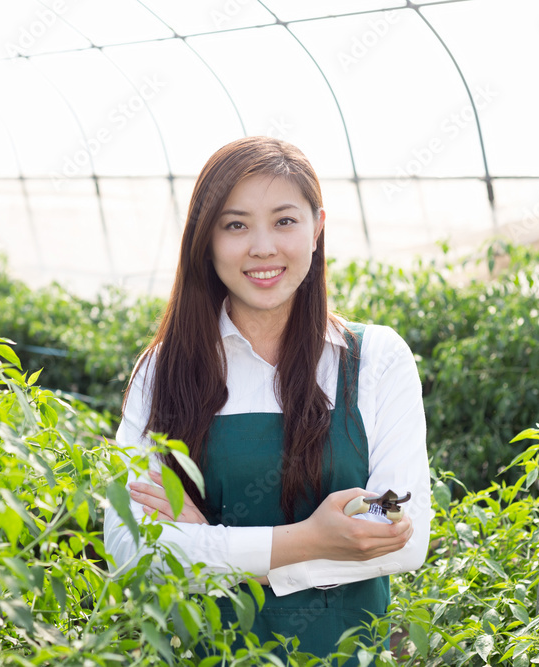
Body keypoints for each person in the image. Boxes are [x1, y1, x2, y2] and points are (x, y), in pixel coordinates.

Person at [102, 136, 430, 660]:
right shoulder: (162, 371)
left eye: (284, 221)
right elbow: (128, 550)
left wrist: (208, 542)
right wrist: (317, 539)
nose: (262, 247)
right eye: (235, 225)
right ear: (205, 240)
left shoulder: (375, 360)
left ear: (317, 229)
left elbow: (404, 542)